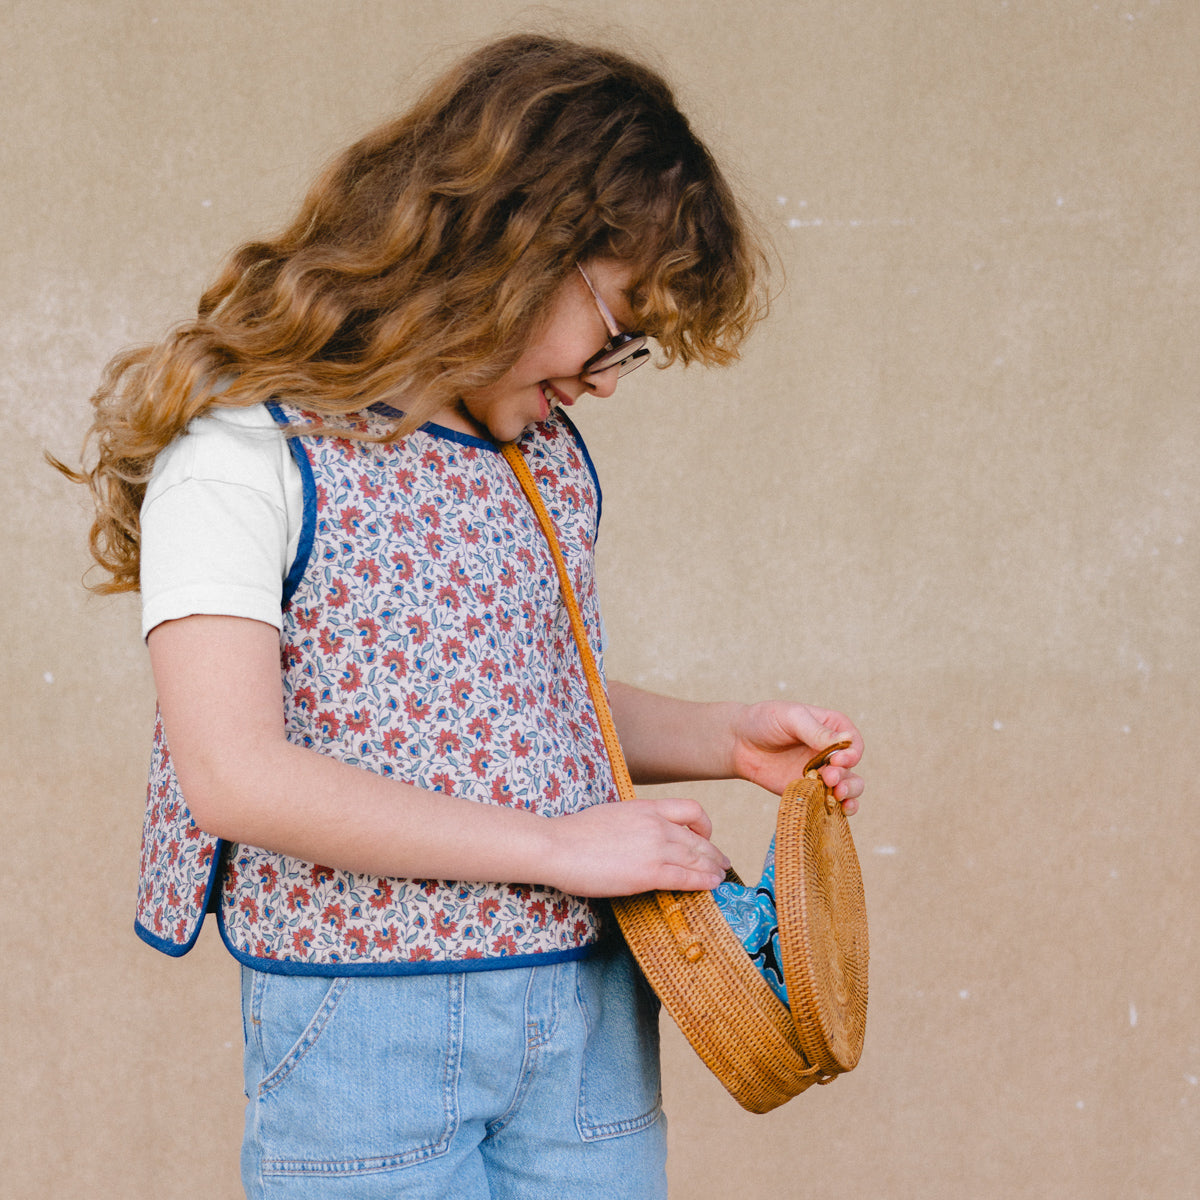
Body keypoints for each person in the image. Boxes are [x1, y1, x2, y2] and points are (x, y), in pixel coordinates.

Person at [57, 33, 864, 1199]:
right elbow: (235, 776)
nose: (610, 377)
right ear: (517, 248)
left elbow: (510, 701)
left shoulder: (536, 454)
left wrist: (726, 738)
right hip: (365, 1024)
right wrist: (558, 847)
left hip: (586, 1004)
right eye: (618, 326)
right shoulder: (243, 456)